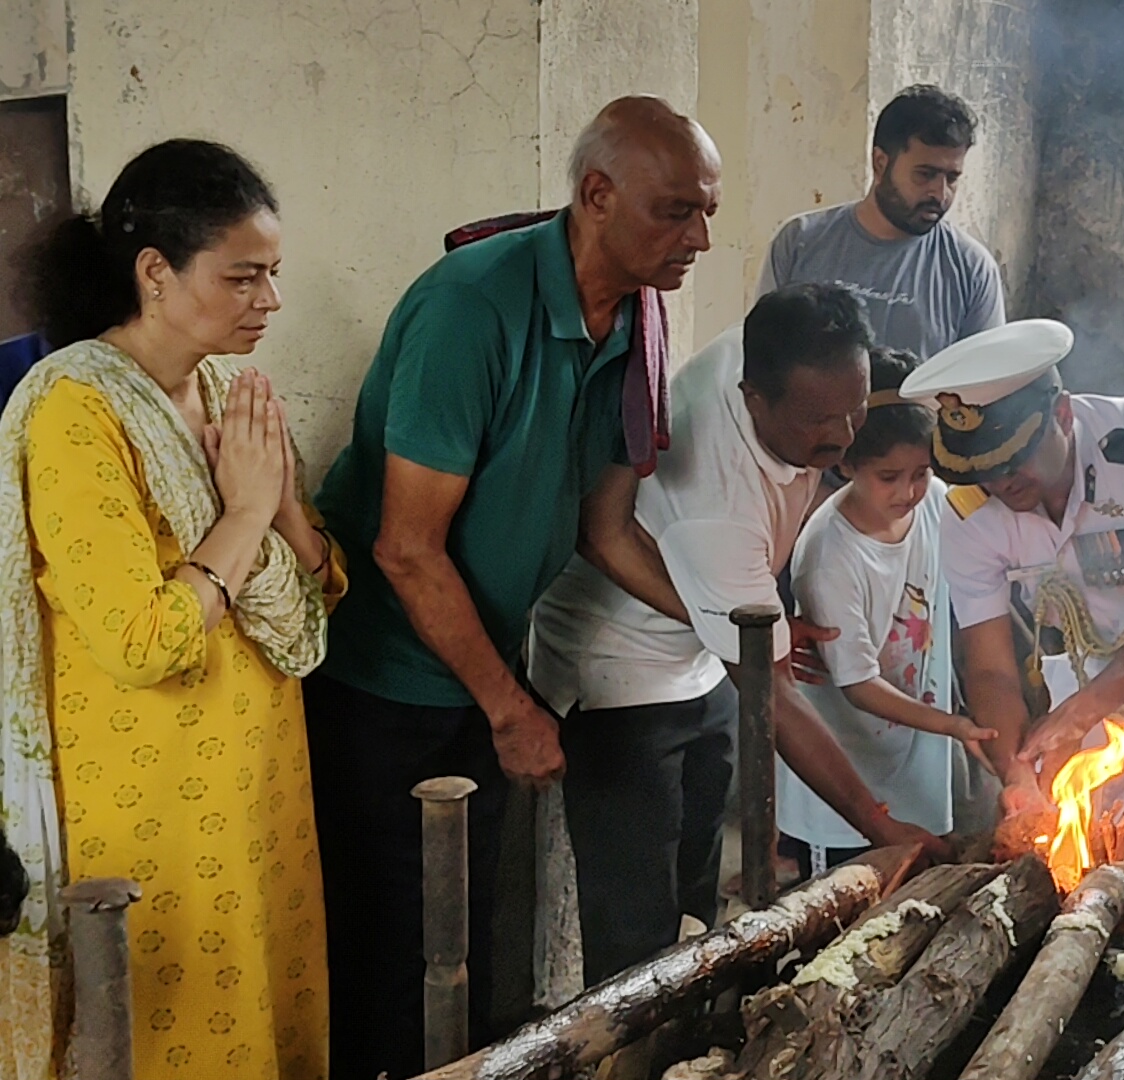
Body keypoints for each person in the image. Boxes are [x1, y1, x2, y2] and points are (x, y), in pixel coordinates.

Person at [306, 96, 715, 1079]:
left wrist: (735, 625)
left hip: (486, 676)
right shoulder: (472, 308)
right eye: (675, 211)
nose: (700, 236)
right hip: (387, 684)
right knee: (388, 968)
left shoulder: (635, 319)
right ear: (596, 195)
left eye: (707, 208)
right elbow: (406, 550)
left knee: (468, 950)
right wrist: (510, 706)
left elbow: (604, 528)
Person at [2, 138, 344, 1080]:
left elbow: (316, 589)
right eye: (242, 278)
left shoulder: (234, 391)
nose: (268, 302)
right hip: (145, 789)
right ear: (155, 272)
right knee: (178, 1027)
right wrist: (243, 515)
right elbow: (141, 638)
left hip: (263, 773)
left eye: (273, 276)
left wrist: (278, 514)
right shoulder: (76, 412)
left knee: (271, 1006)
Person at [528, 285, 950, 985]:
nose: (845, 436)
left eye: (855, 406)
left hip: (702, 647)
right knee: (636, 928)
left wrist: (762, 621)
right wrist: (883, 828)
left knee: (696, 895)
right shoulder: (719, 502)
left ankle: (691, 1028)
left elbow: (749, 646)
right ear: (756, 398)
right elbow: (771, 692)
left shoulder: (775, 347)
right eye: (821, 420)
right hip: (621, 674)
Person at [901, 320, 1124, 830]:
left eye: (1014, 458)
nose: (1000, 481)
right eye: (980, 468)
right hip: (1107, 666)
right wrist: (1016, 771)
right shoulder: (968, 515)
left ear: (1063, 414)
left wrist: (1075, 717)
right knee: (1066, 827)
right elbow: (990, 668)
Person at [774, 346, 997, 876]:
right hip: (844, 784)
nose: (909, 491)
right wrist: (953, 724)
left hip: (917, 768)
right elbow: (858, 685)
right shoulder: (830, 554)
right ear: (847, 463)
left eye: (920, 472)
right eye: (889, 476)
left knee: (916, 901)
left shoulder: (937, 502)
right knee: (840, 920)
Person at [758, 84, 1004, 362]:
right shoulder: (799, 244)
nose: (940, 193)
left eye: (952, 178)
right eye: (925, 174)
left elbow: (982, 386)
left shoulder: (972, 270)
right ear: (879, 163)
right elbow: (763, 363)